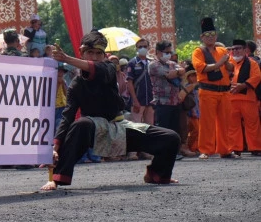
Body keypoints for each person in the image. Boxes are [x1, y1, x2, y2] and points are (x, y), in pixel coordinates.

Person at [41, 31, 180, 191]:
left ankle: (157, 174)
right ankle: (58, 179)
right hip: (93, 130)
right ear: (81, 52)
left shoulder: (109, 68)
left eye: (98, 53)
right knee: (81, 125)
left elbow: (96, 69)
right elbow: (67, 117)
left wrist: (66, 59)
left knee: (171, 138)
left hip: (119, 127)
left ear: (104, 55)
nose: (94, 57)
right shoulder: (76, 85)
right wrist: (54, 148)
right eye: (90, 52)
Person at [191, 18, 235, 160]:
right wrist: (220, 63)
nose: (210, 37)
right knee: (207, 122)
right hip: (208, 91)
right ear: (202, 37)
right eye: (207, 35)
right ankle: (205, 150)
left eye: (212, 34)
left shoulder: (222, 50)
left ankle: (225, 149)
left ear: (216, 36)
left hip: (224, 91)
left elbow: (231, 68)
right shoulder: (198, 52)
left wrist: (227, 63)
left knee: (226, 122)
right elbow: (202, 68)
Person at [228, 40, 261, 156]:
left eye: (238, 48)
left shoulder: (252, 63)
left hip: (248, 98)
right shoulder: (228, 63)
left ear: (244, 50)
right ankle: (235, 147)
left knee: (252, 124)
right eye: (234, 49)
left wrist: (243, 85)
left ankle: (255, 147)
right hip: (231, 99)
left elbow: (257, 77)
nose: (235, 51)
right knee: (232, 125)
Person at [126, 38, 155, 160]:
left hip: (151, 100)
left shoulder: (152, 63)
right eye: (140, 46)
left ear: (148, 47)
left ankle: (146, 150)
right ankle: (133, 152)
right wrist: (135, 100)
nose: (142, 48)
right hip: (138, 99)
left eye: (144, 46)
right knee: (135, 126)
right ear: (136, 48)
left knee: (149, 127)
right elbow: (129, 83)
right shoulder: (132, 63)